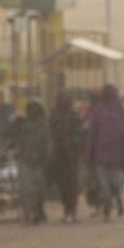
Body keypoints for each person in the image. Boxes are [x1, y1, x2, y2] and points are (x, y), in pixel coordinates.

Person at [84, 84, 124, 222]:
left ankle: (118, 200)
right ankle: (107, 209)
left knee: (116, 184)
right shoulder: (98, 111)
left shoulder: (120, 111)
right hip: (101, 155)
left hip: (117, 156)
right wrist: (89, 153)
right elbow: (92, 134)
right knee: (104, 186)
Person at [6, 101, 52, 224]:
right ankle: (29, 212)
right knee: (27, 189)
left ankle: (37, 211)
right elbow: (12, 138)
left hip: (38, 161)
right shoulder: (22, 125)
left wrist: (45, 157)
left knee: (38, 189)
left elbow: (48, 144)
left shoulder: (43, 126)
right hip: (26, 160)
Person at [48, 93, 84, 223]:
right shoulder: (54, 116)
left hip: (71, 156)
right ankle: (67, 209)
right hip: (59, 155)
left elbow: (79, 135)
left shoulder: (74, 116)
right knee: (63, 185)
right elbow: (50, 133)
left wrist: (74, 144)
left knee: (72, 185)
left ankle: (71, 210)